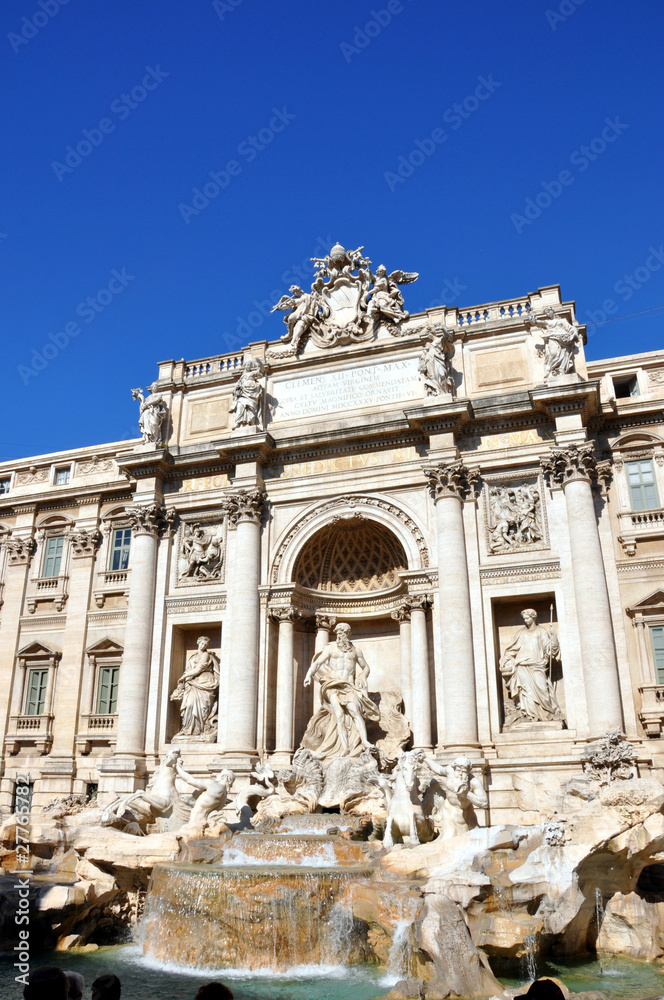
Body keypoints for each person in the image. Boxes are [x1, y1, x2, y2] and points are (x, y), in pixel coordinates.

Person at [302, 622, 380, 759]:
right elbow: (317, 663)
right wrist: (308, 675)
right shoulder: (330, 648)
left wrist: (362, 676)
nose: (340, 635)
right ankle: (344, 748)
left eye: (342, 633)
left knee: (355, 711)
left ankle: (365, 742)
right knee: (339, 714)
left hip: (349, 686)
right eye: (338, 632)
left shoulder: (356, 651)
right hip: (332, 685)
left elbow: (366, 667)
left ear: (348, 634)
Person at [499, 609, 563, 724]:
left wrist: (553, 638)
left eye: (527, 618)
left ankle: (547, 714)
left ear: (533, 618)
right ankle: (529, 715)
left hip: (537, 665)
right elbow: (513, 649)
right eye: (524, 618)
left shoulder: (541, 631)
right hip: (522, 665)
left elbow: (550, 649)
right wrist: (506, 659)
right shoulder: (521, 633)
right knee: (526, 692)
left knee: (542, 689)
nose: (525, 620)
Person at [170, 636, 220, 738]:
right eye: (202, 643)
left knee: (202, 708)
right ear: (198, 643)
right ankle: (187, 729)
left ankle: (199, 730)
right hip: (192, 684)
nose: (203, 646)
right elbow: (189, 669)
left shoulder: (206, 655)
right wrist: (184, 680)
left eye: (205, 645)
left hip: (204, 682)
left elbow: (198, 669)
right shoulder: (192, 657)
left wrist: (183, 677)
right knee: (189, 705)